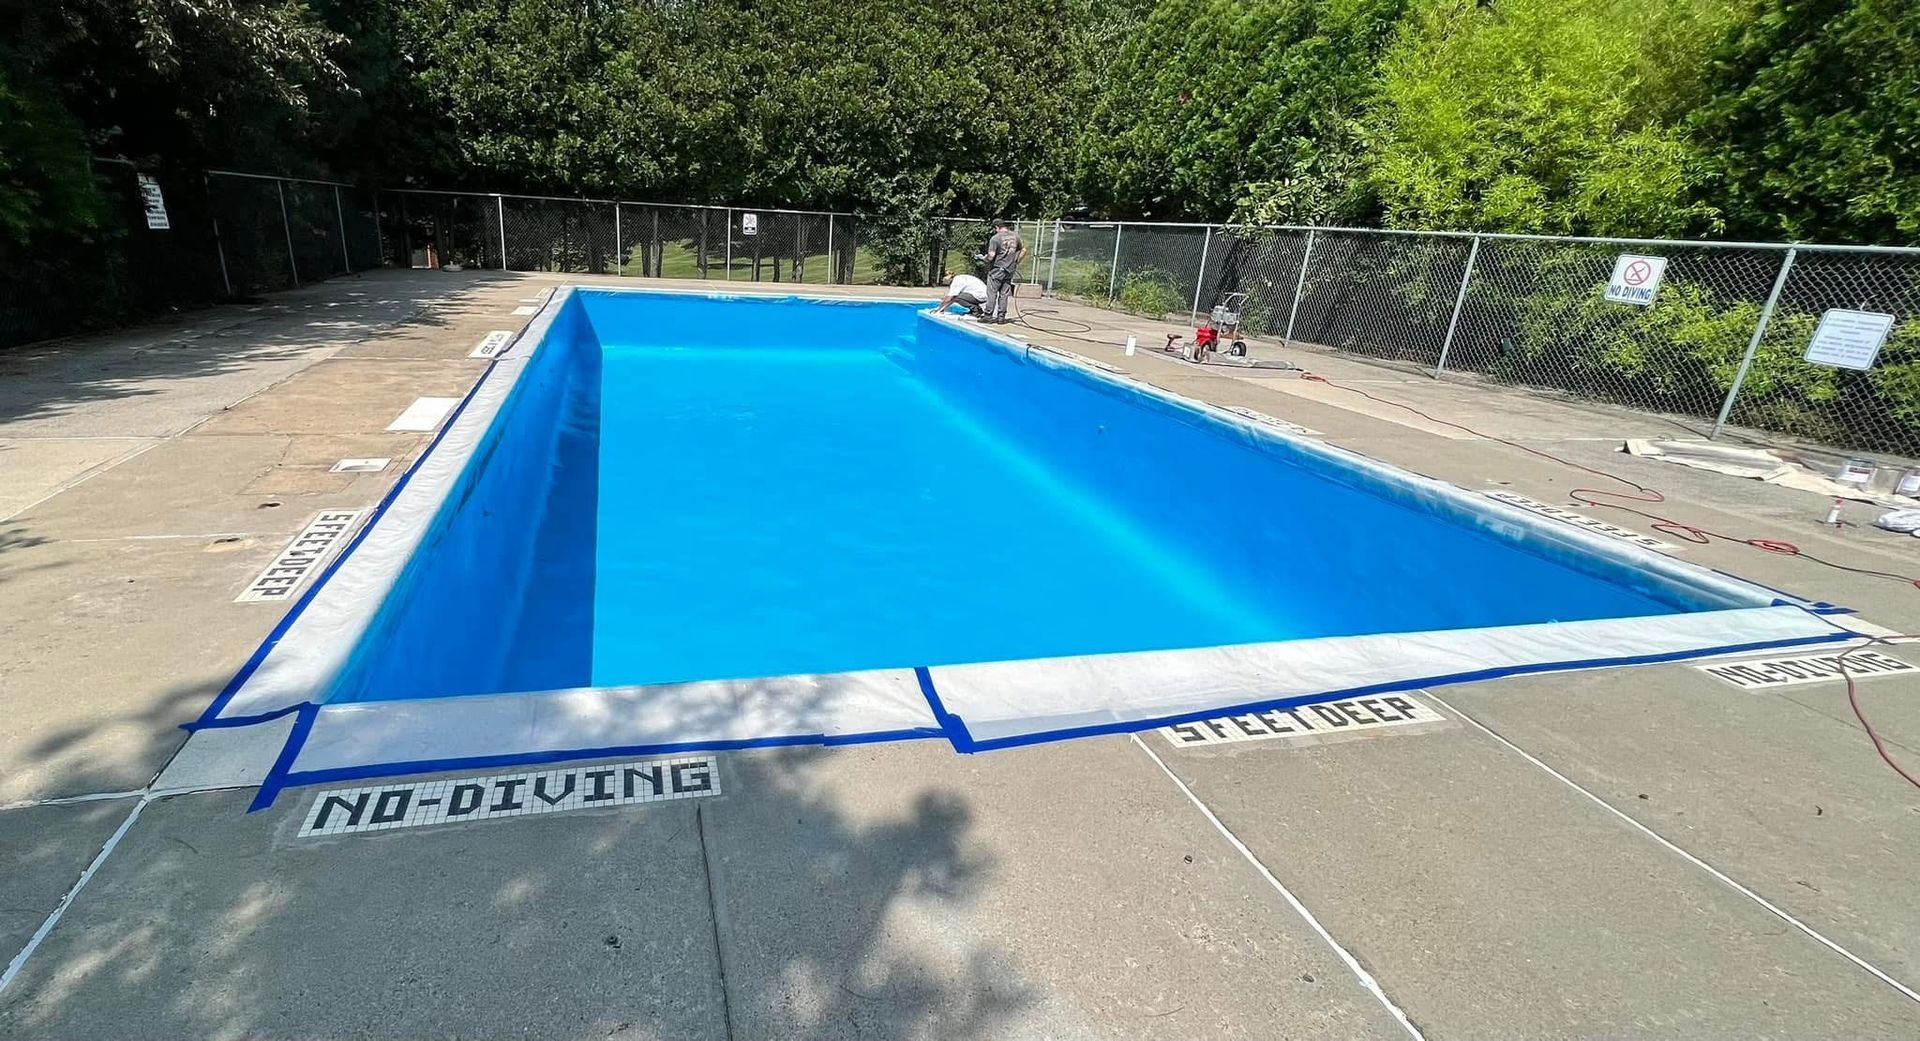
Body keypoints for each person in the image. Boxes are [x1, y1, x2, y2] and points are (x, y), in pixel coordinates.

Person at [982, 219, 1025, 323]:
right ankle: (1001, 317)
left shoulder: (995, 238)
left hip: (997, 269)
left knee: (992, 292)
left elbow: (991, 255)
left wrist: (984, 258)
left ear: (997, 227)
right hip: (1010, 270)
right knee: (1004, 293)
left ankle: (988, 315)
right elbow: (1023, 250)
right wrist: (1016, 262)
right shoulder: (1015, 236)